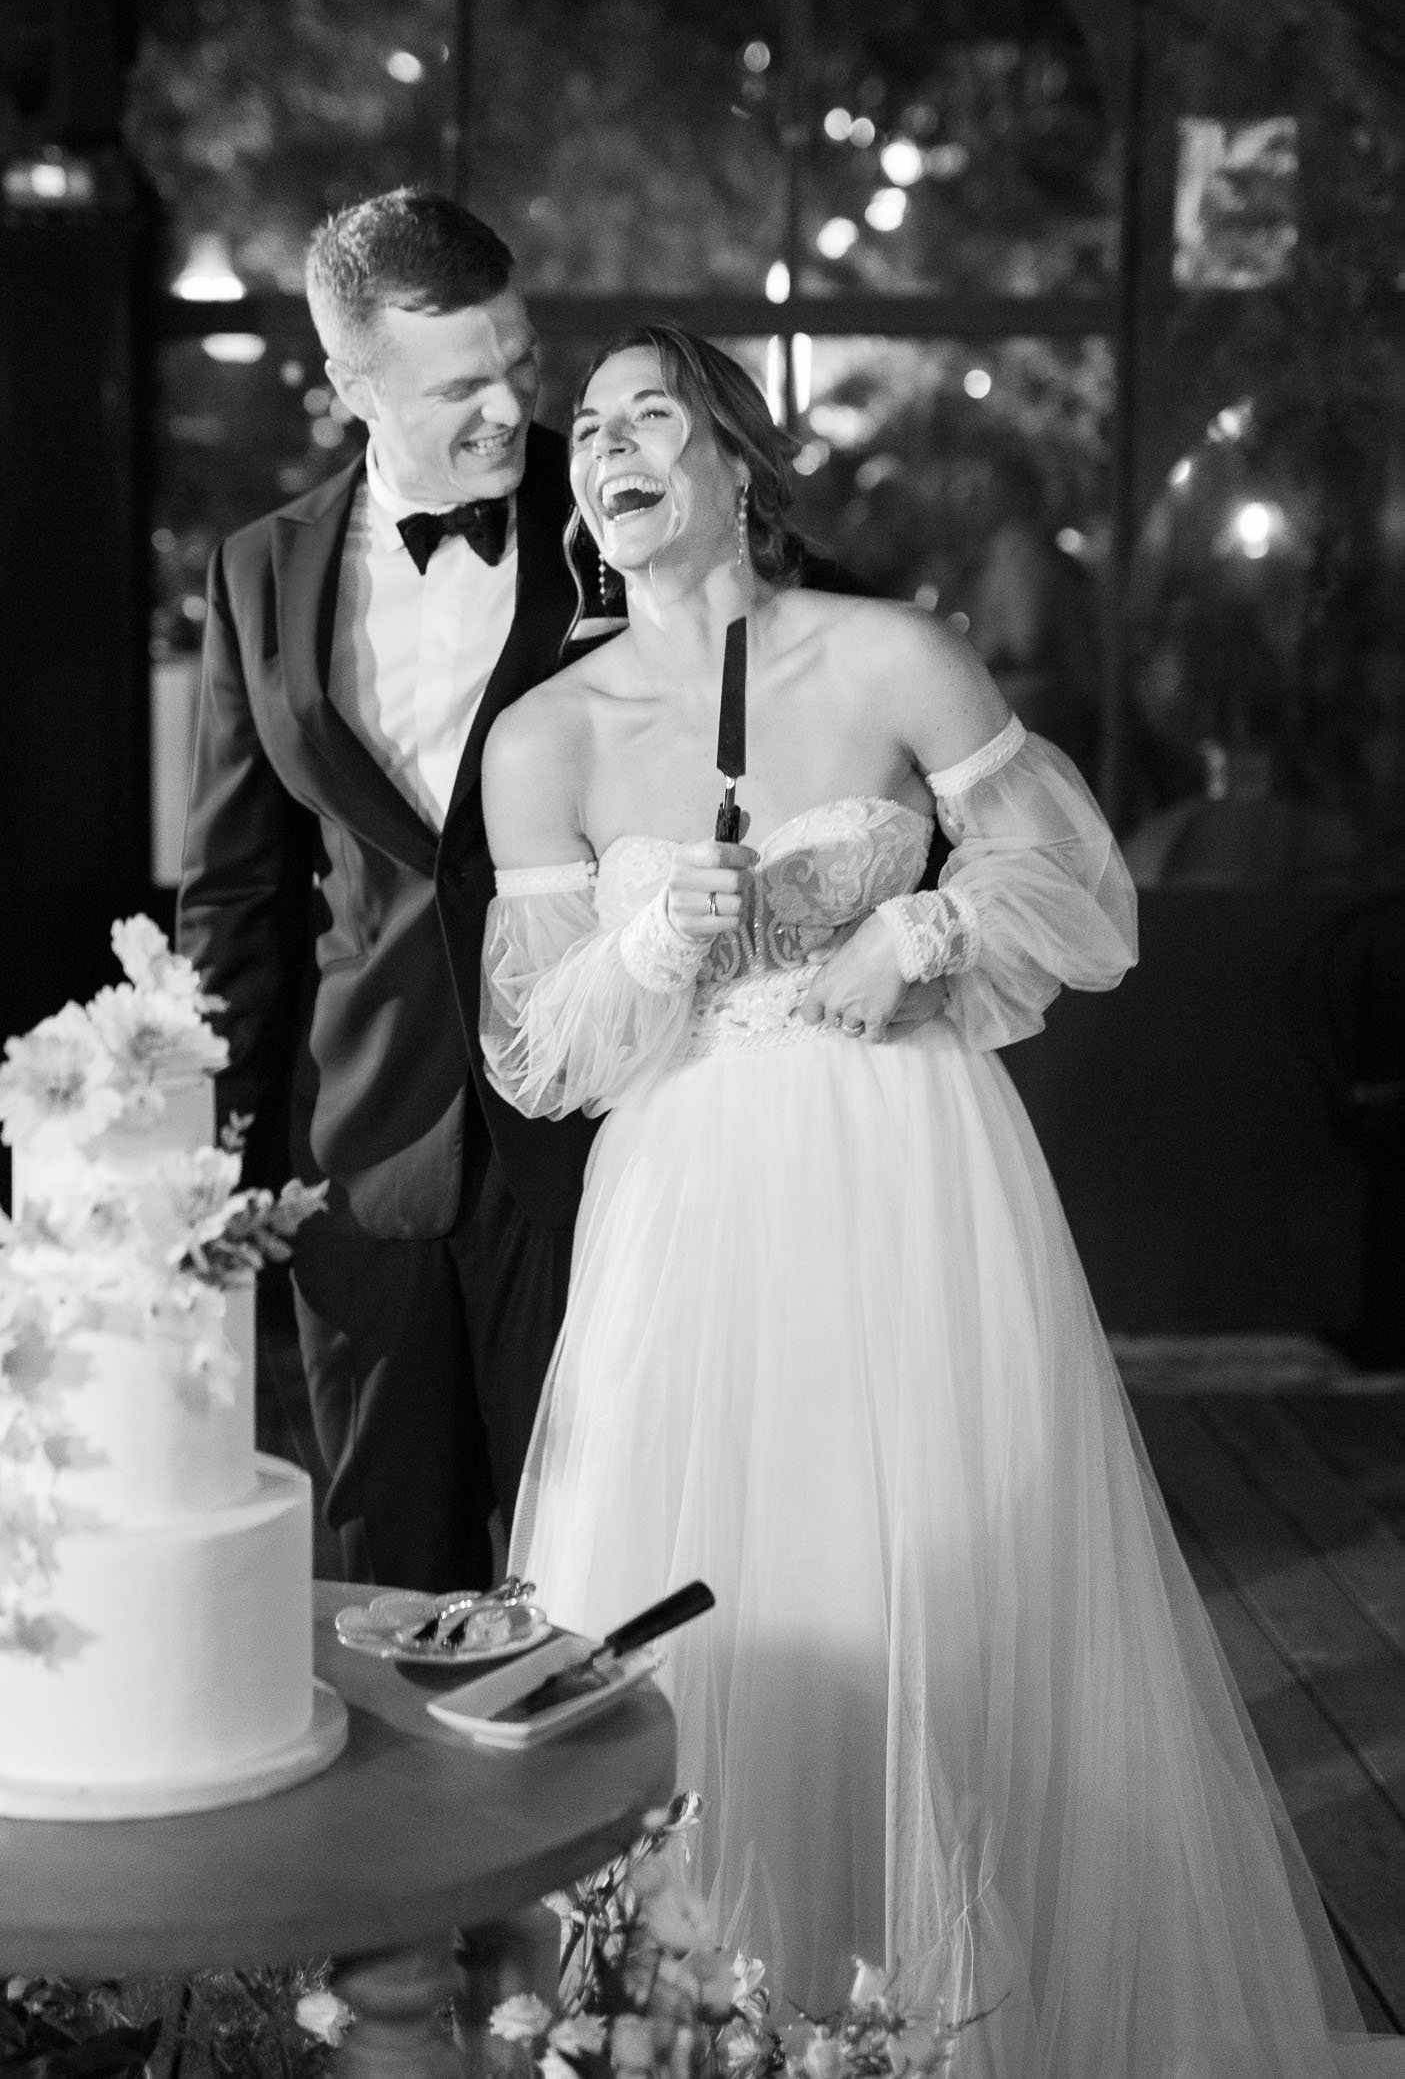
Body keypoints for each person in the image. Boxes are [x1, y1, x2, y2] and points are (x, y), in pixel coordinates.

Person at [478, 325, 1395, 2073]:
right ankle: (705, 2022)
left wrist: (933, 925)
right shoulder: (546, 737)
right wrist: (641, 949)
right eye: (583, 427)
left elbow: (1075, 885)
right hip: (690, 1189)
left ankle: (968, 2015)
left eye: (647, 412)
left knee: (937, 1569)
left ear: (737, 459)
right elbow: (541, 1049)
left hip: (908, 1163)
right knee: (704, 1580)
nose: (605, 443)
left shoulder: (893, 653)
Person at [177, 189, 599, 1594]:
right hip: (355, 1155)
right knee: (385, 1579)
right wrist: (214, 1160)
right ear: (351, 385)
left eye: (520, 365)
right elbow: (233, 891)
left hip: (592, 1132)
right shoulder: (257, 572)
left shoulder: (615, 512)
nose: (505, 407)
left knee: (596, 1559)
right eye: (457, 384)